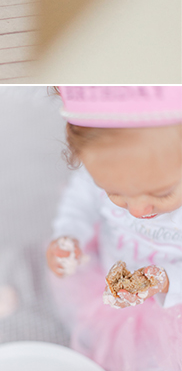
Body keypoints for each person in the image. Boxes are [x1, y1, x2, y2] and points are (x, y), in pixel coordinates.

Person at [46, 86, 182, 371]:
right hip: (108, 283)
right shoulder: (104, 168)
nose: (135, 210)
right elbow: (79, 201)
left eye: (162, 193)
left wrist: (165, 281)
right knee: (107, 346)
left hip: (173, 307)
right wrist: (70, 235)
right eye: (113, 192)